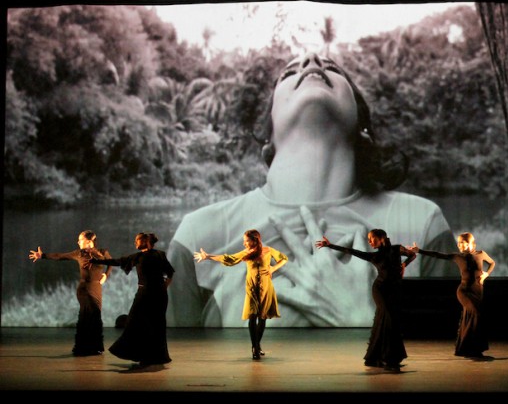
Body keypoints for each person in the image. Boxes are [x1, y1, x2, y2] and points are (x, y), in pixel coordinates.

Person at [167, 51, 457, 328]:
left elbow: (451, 372)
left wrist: (358, 318)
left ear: (363, 126)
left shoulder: (421, 224)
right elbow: (174, 374)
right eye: (289, 73)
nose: (311, 60)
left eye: (333, 69)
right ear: (268, 137)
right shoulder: (198, 237)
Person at [316, 229, 416, 371]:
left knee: (385, 320)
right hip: (380, 289)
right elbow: (351, 251)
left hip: (394, 290)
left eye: (372, 238)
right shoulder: (374, 256)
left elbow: (412, 255)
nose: (369, 241)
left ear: (382, 238)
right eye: (368, 239)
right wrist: (330, 245)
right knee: (388, 319)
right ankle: (390, 358)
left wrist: (404, 265)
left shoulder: (396, 249)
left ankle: (376, 357)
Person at [194, 229, 288, 360]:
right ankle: (254, 347)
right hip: (252, 287)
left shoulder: (268, 250)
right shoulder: (246, 253)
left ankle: (257, 345)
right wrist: (208, 256)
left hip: (266, 286)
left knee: (262, 317)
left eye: (246, 240)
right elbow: (229, 259)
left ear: (255, 240)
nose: (244, 243)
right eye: (244, 241)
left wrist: (273, 268)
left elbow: (283, 259)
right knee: (252, 316)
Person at [90, 232, 174, 366]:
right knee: (147, 324)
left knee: (145, 323)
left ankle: (150, 356)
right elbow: (117, 261)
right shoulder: (148, 256)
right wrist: (96, 261)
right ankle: (149, 356)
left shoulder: (149, 256)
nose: (135, 243)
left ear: (145, 242)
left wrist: (164, 285)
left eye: (137, 241)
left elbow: (170, 272)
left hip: (151, 294)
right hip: (153, 293)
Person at [409, 232, 496, 358]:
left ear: (471, 242)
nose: (459, 245)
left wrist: (486, 274)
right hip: (464, 291)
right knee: (476, 313)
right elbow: (438, 255)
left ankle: (469, 348)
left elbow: (492, 263)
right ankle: (473, 347)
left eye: (462, 242)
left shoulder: (481, 254)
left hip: (478, 291)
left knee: (471, 317)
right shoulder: (457, 257)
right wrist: (419, 251)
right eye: (458, 242)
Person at [28, 230, 112, 356]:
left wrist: (106, 274)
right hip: (84, 289)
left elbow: (111, 262)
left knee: (94, 316)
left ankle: (94, 347)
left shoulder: (102, 252)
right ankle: (84, 347)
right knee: (88, 316)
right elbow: (59, 256)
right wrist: (43, 255)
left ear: (89, 241)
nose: (78, 242)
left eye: (81, 239)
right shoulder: (79, 253)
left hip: (96, 288)